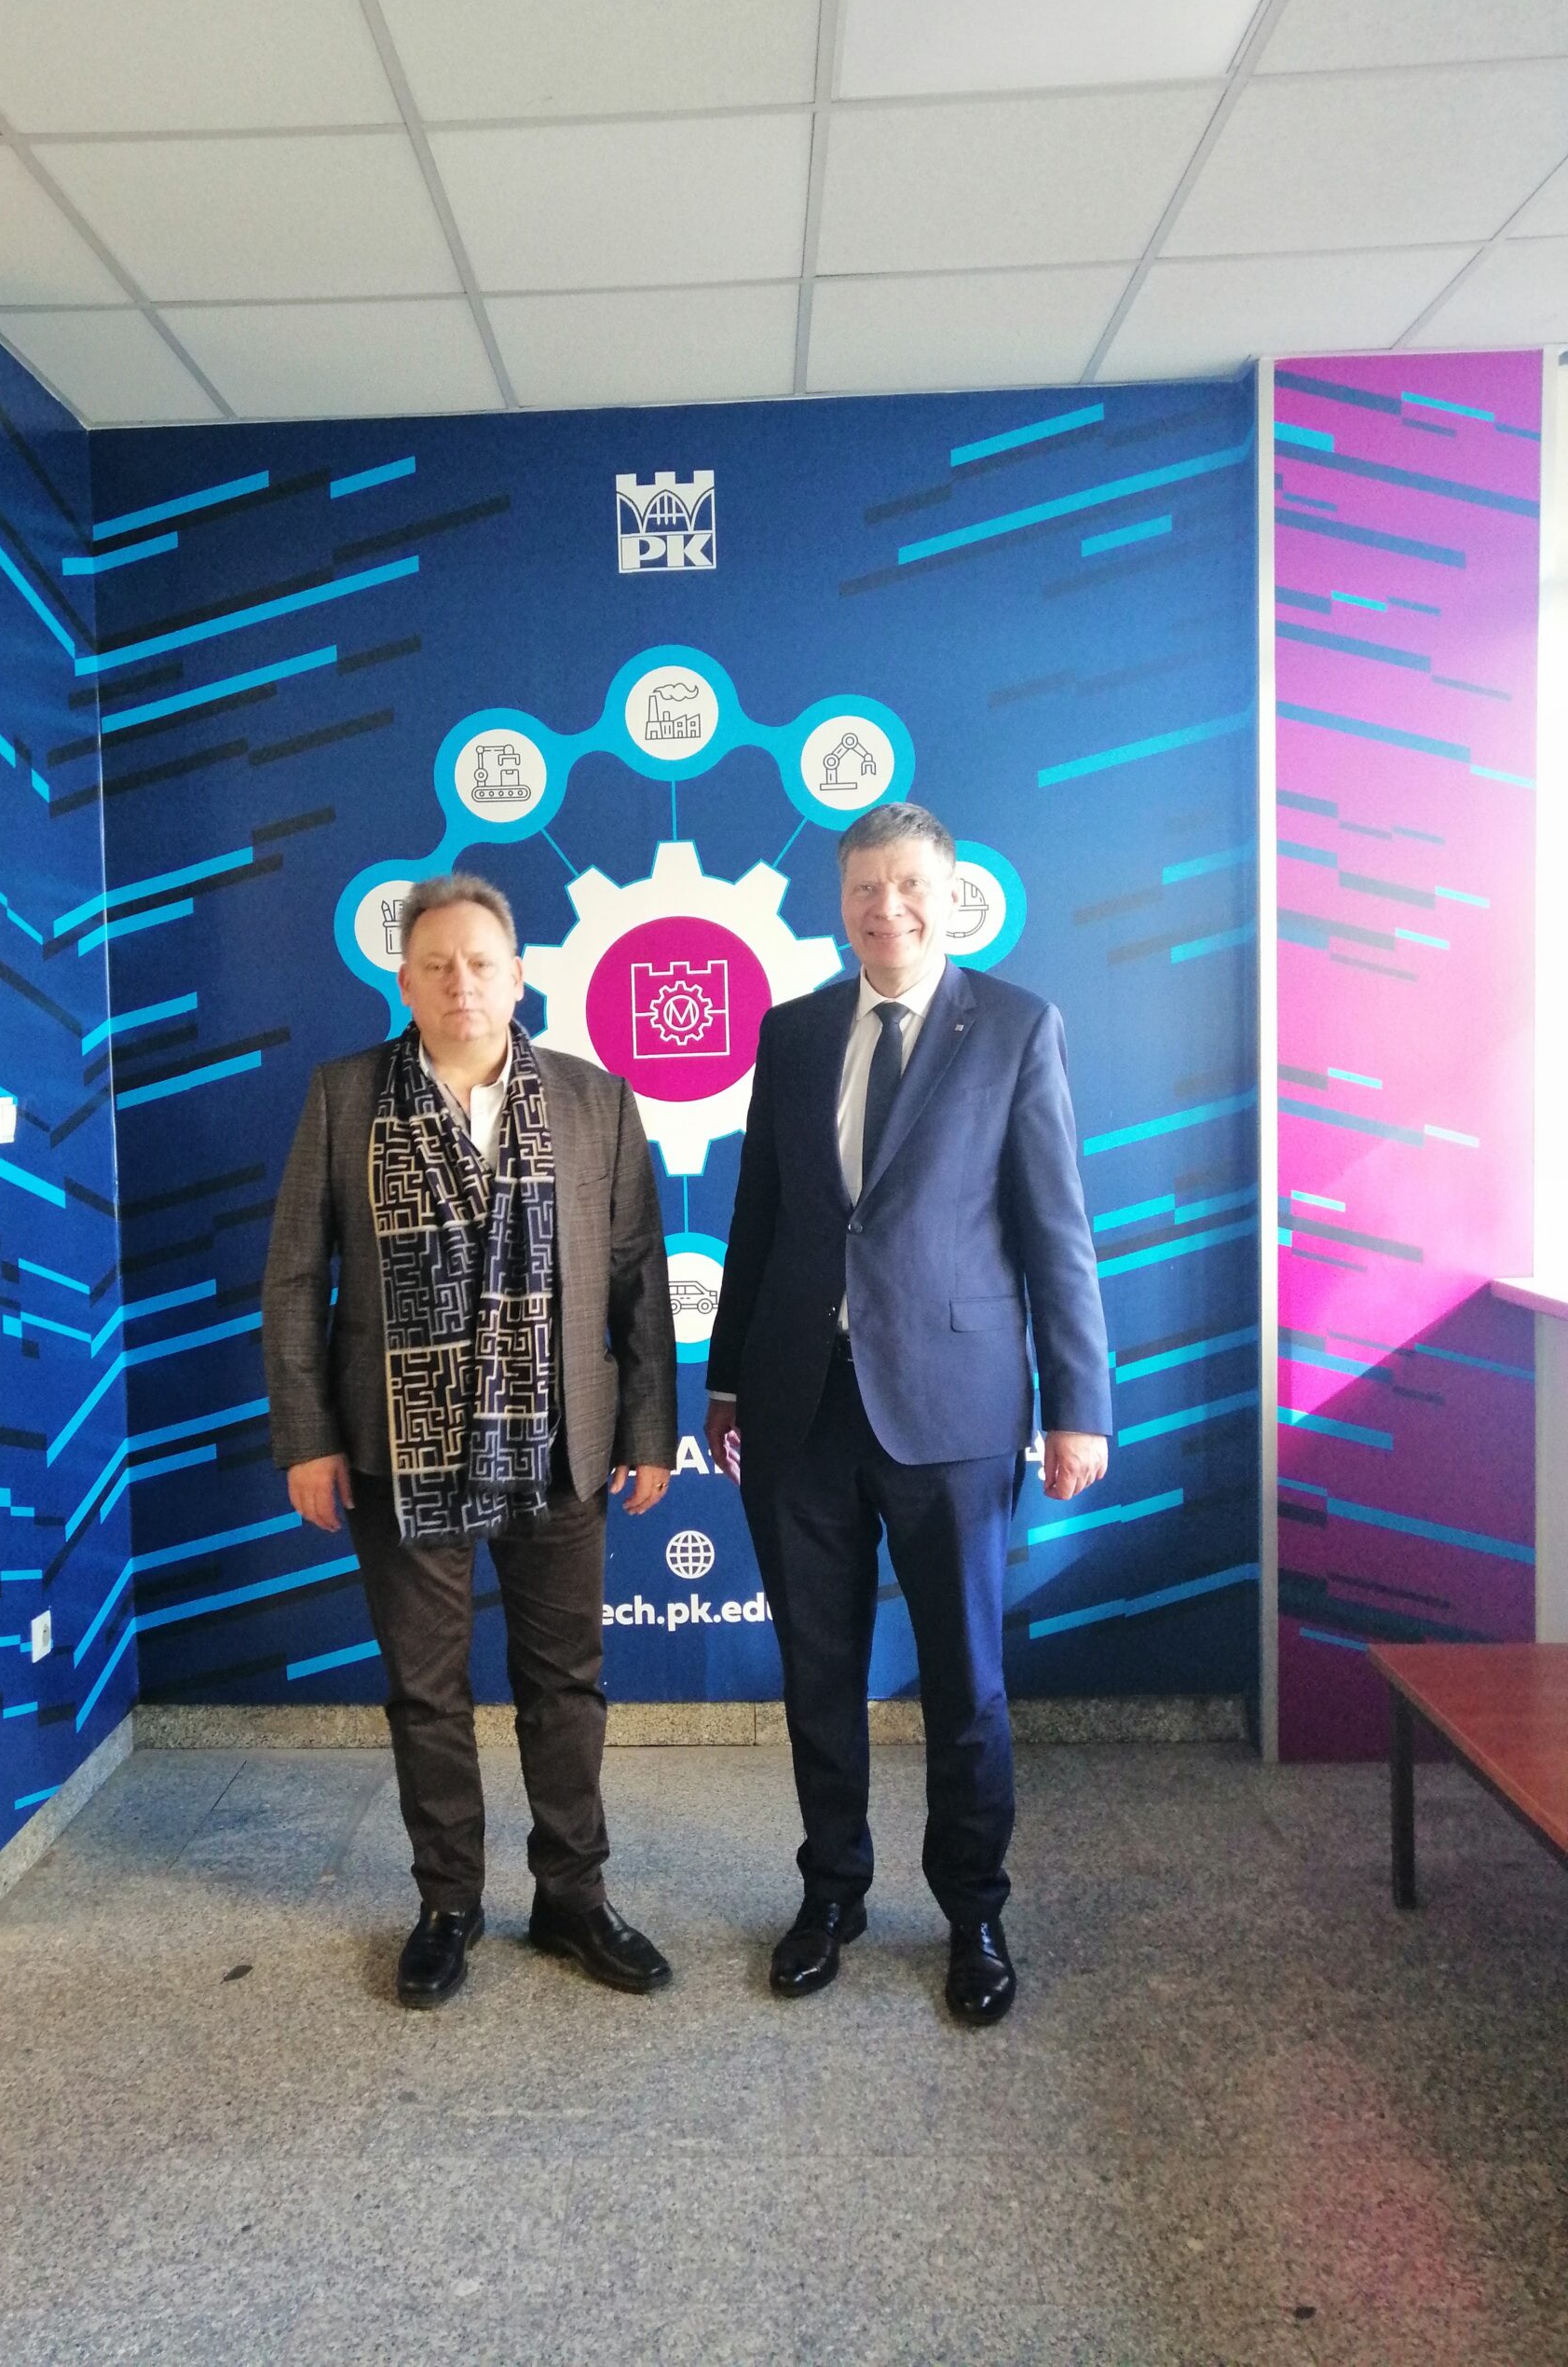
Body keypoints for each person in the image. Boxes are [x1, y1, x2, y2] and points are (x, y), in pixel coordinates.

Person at [704, 802, 1111, 2025]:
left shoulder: (1016, 1028)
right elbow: (758, 1215)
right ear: (840, 903)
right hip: (799, 1405)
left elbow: (1056, 1229)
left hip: (954, 1408)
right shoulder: (792, 1031)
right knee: (817, 1671)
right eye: (865, 888)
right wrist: (724, 1379)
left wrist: (1077, 1404)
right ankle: (831, 1893)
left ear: (951, 893)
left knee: (965, 1682)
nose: (887, 908)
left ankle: (973, 1911)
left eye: (910, 885)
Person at [264, 872, 678, 2009]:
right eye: (437, 965)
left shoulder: (594, 1099)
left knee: (566, 1682)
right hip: (399, 1445)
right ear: (403, 981)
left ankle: (573, 1896)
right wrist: (306, 1435)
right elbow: (295, 1279)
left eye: (482, 962)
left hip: (558, 1442)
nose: (462, 983)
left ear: (519, 976)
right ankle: (448, 1902)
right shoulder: (344, 1096)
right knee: (426, 1689)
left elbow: (638, 1278)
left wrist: (648, 1429)